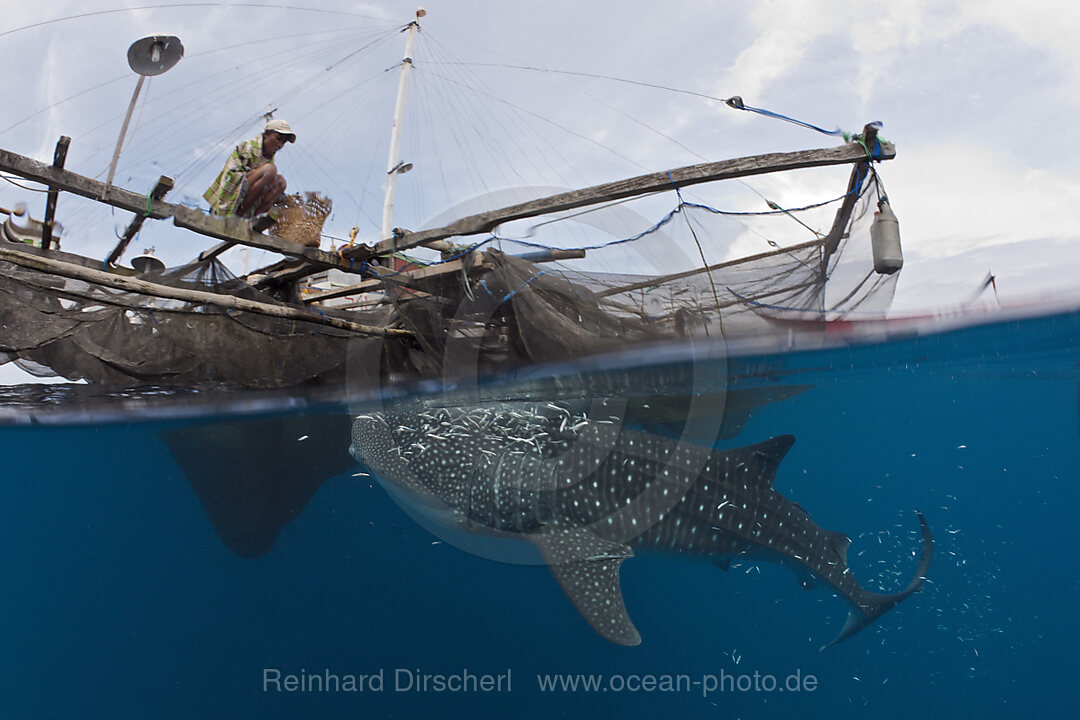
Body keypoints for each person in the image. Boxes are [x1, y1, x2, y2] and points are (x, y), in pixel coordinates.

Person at [203, 119, 296, 218]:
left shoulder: (268, 160)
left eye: (283, 142)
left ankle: (253, 219)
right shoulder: (247, 147)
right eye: (278, 139)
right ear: (266, 135)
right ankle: (238, 218)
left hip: (247, 203)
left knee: (281, 182)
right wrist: (264, 175)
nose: (280, 145)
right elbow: (231, 178)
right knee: (270, 170)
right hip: (228, 201)